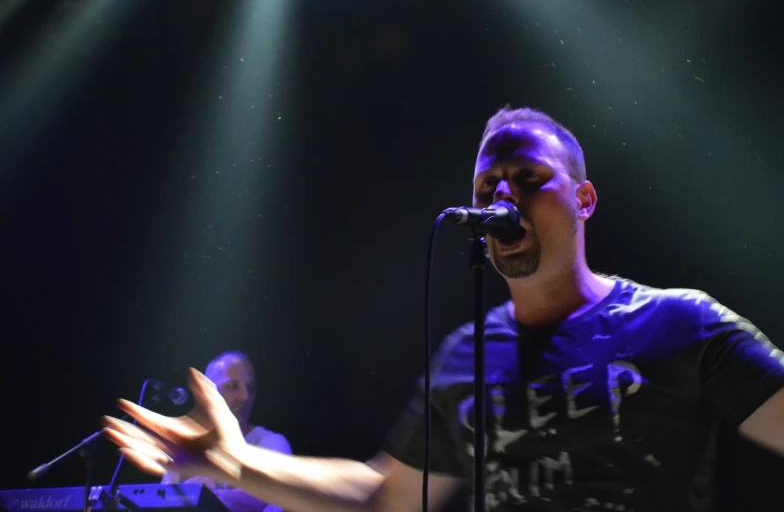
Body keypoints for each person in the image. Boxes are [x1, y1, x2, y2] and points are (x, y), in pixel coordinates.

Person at [103, 107, 784, 512]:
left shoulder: (680, 323)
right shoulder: (468, 353)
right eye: (489, 184)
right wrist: (232, 462)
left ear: (584, 199)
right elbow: (383, 496)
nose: (504, 197)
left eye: (529, 178)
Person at [161, 351, 291, 512]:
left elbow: (272, 501)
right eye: (233, 386)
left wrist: (205, 495)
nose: (245, 397)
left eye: (251, 388)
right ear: (207, 394)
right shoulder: (184, 450)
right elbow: (161, 503)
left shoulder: (271, 444)